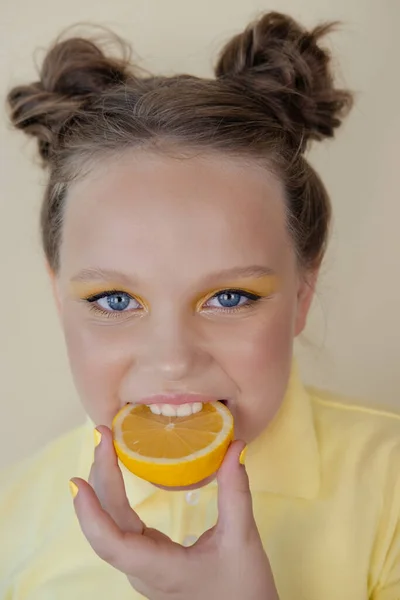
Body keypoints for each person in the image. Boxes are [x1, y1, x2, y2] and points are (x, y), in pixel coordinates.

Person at [1, 10, 399, 600]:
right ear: (60, 297)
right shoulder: (12, 524)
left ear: (301, 295)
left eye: (229, 297)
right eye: (115, 299)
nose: (171, 360)